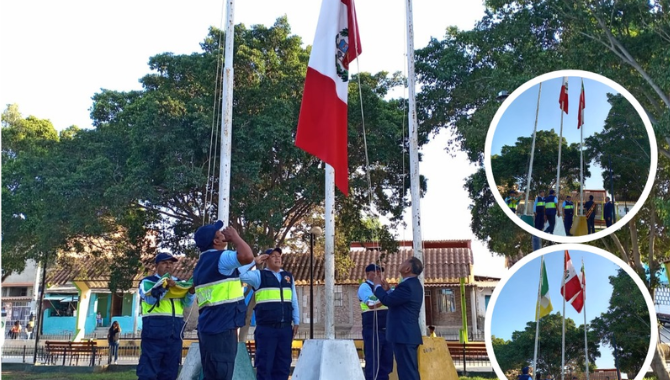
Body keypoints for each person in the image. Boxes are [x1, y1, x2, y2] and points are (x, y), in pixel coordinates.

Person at [192, 221, 254, 380]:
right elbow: (247, 256)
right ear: (216, 241)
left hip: (209, 327)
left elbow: (241, 268)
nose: (223, 233)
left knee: (211, 374)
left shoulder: (201, 265)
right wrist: (236, 237)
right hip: (223, 327)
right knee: (222, 373)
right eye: (219, 232)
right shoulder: (221, 257)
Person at [239, 248, 299, 380]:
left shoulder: (288, 277)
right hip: (266, 329)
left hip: (285, 328)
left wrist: (297, 321)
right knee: (265, 366)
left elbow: (293, 300)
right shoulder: (259, 276)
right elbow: (239, 274)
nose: (277, 258)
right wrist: (254, 262)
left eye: (279, 256)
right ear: (266, 259)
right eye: (273, 256)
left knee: (283, 366)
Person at [137, 252, 196, 380]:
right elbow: (150, 300)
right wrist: (164, 287)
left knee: (170, 372)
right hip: (154, 332)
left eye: (171, 263)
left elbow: (186, 303)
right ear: (156, 266)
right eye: (164, 263)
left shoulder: (179, 283)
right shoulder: (147, 282)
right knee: (149, 371)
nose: (168, 266)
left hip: (175, 333)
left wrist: (191, 292)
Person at [373, 257, 424, 380]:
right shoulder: (412, 284)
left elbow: (387, 301)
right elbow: (397, 300)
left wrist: (377, 287)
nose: (400, 263)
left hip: (404, 334)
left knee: (408, 373)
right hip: (406, 334)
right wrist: (388, 290)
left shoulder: (407, 286)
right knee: (406, 371)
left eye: (404, 262)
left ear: (408, 268)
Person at [357, 264, 393, 380]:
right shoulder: (365, 287)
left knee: (386, 363)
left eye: (380, 272)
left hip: (387, 330)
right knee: (373, 364)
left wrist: (388, 291)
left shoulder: (385, 289)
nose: (379, 275)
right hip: (373, 330)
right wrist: (386, 294)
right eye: (375, 272)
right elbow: (372, 304)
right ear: (368, 274)